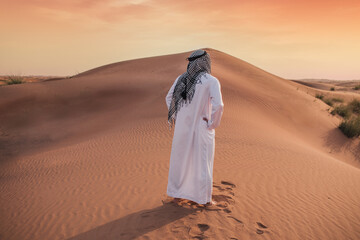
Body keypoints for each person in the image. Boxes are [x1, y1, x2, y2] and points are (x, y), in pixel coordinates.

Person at [165, 49, 224, 206]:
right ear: (206, 62)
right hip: (201, 128)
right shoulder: (211, 81)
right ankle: (205, 200)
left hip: (182, 129)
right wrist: (212, 124)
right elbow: (219, 106)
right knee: (202, 163)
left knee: (180, 161)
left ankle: (177, 195)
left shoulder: (181, 79)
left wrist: (179, 116)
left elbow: (169, 98)